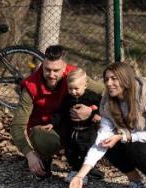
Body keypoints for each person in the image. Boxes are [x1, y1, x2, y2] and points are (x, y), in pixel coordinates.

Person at [10, 45, 103, 178]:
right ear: (42, 65)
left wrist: (92, 111)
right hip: (49, 130)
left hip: (75, 127)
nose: (51, 75)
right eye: (47, 69)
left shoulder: (75, 76)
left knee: (102, 122)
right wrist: (30, 154)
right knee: (39, 134)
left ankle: (86, 163)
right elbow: (17, 126)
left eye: (56, 70)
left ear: (65, 67)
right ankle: (43, 157)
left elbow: (105, 92)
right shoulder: (31, 85)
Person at [54, 68, 102, 178]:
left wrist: (97, 113)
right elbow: (60, 112)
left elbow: (101, 106)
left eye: (76, 88)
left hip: (88, 131)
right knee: (71, 152)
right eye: (70, 88)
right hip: (72, 131)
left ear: (85, 86)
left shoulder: (92, 96)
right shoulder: (67, 99)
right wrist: (52, 123)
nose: (73, 92)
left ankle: (87, 171)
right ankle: (75, 170)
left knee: (88, 151)